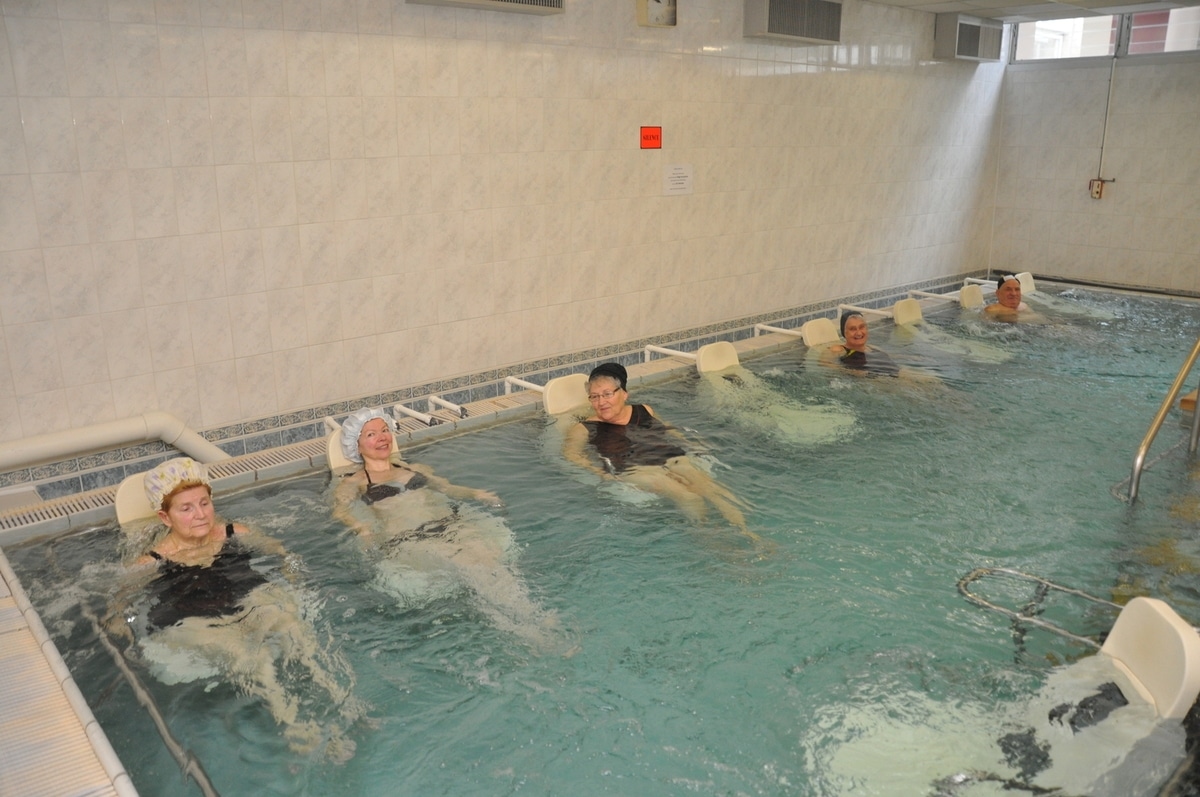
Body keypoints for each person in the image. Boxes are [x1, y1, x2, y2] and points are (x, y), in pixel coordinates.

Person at [118, 457, 361, 760]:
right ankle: (294, 724)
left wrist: (291, 574)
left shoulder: (235, 532)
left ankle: (341, 698)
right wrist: (123, 632)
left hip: (243, 600)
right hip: (189, 619)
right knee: (249, 654)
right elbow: (118, 602)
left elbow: (282, 552)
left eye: (204, 503)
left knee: (290, 625)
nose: (200, 515)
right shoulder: (151, 561)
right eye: (186, 508)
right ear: (165, 518)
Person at [331, 408, 558, 648]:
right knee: (470, 565)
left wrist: (476, 494)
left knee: (487, 556)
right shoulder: (354, 483)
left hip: (448, 526)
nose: (382, 437)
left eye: (385, 430)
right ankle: (528, 629)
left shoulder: (415, 469)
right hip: (409, 539)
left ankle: (532, 616)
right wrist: (362, 528)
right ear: (356, 445)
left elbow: (447, 489)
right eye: (371, 434)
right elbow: (340, 510)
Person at [563, 363, 757, 541]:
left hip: (671, 459)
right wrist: (602, 474)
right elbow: (571, 455)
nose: (601, 402)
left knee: (711, 489)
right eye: (594, 396)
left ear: (624, 394)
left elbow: (667, 429)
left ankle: (747, 533)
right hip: (636, 469)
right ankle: (711, 539)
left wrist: (692, 444)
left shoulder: (645, 410)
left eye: (607, 394)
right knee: (688, 497)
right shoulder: (584, 428)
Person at [821, 311, 902, 377]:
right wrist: (853, 372)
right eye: (852, 329)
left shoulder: (873, 348)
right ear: (844, 333)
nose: (859, 333)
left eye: (862, 327)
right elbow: (824, 363)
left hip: (894, 375)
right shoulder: (838, 349)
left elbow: (893, 358)